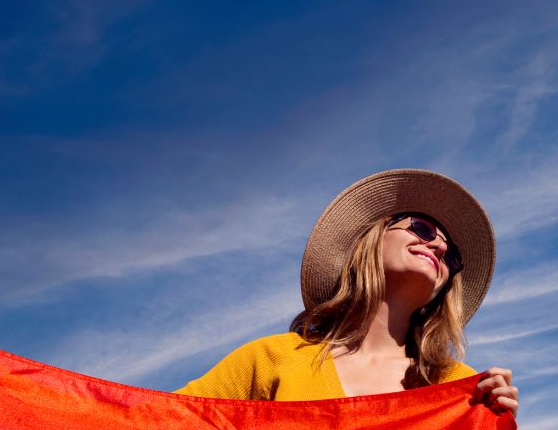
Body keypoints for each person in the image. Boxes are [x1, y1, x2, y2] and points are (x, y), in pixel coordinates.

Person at [175, 169, 518, 416]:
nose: (439, 246)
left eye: (452, 254)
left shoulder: (457, 387)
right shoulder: (272, 360)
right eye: (422, 228)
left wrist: (494, 429)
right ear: (369, 241)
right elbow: (160, 425)